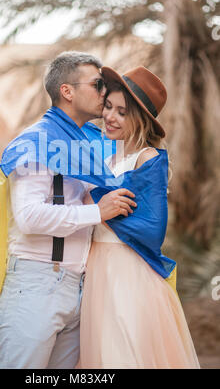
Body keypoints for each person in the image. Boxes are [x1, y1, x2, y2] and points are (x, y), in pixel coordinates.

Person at [0, 52, 137, 369]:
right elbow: (29, 217)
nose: (105, 92)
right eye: (98, 84)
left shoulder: (87, 144)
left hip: (77, 286)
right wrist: (97, 212)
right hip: (37, 283)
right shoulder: (38, 140)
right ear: (67, 91)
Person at [79, 65, 200, 369]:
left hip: (127, 272)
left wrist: (98, 205)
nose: (110, 116)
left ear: (140, 119)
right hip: (96, 268)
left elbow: (152, 228)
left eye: (122, 111)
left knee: (123, 352)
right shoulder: (105, 159)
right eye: (108, 106)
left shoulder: (147, 158)